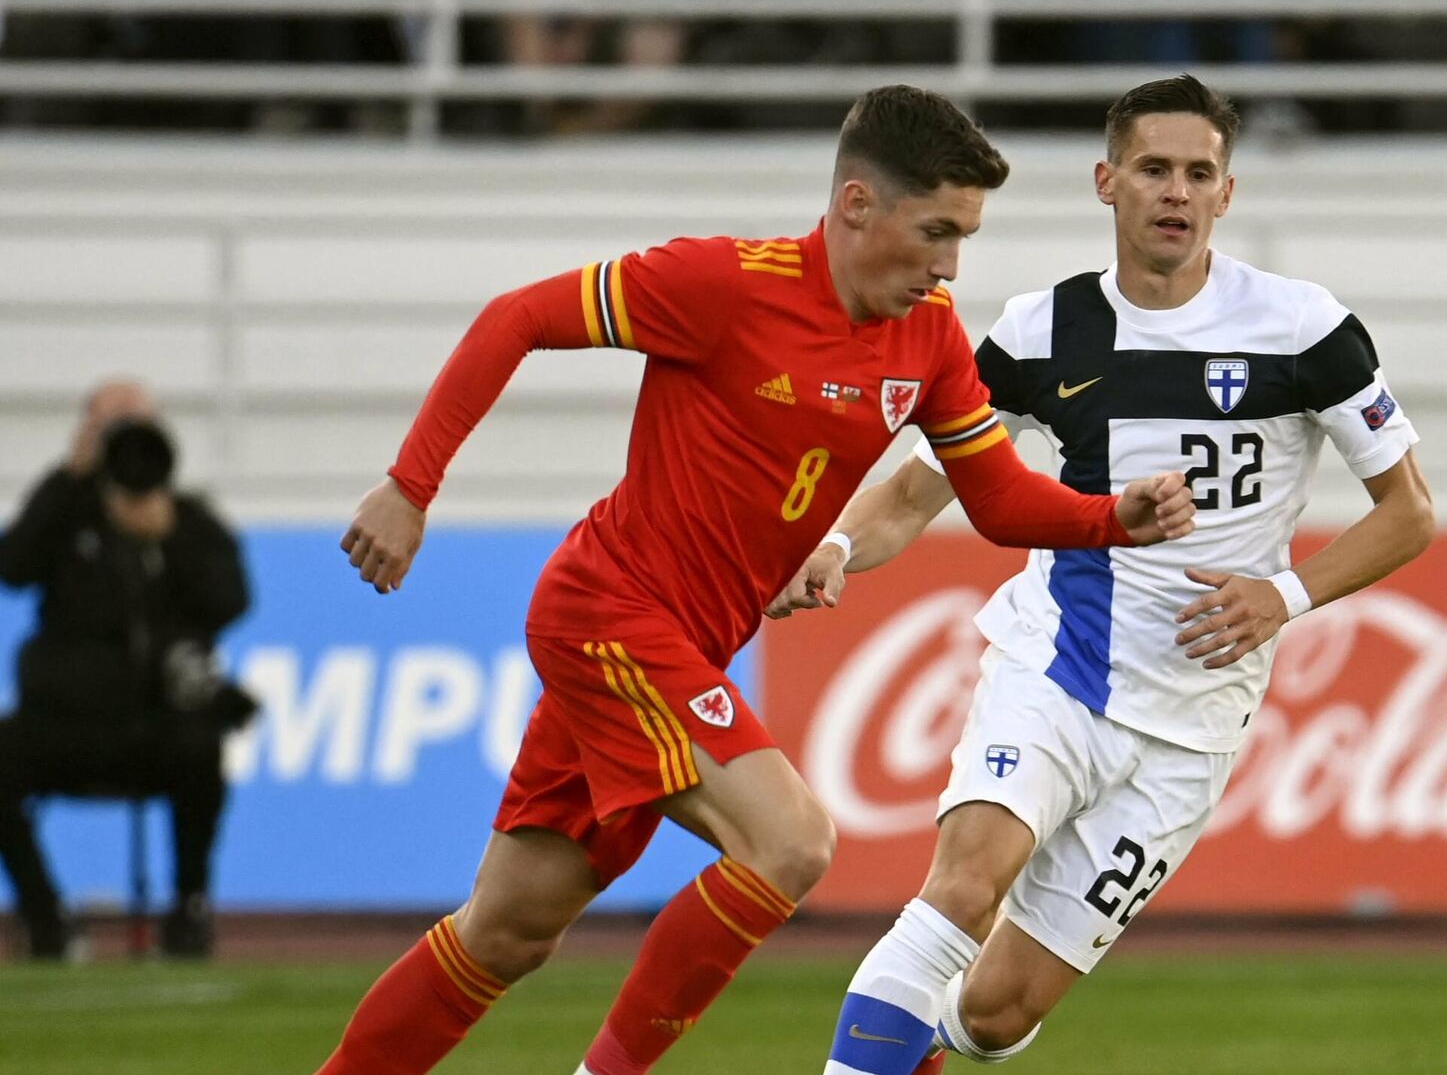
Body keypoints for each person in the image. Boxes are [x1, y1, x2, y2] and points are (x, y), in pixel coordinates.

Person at [315, 84, 1196, 1075]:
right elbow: (517, 317)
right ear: (858, 206)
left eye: (966, 238)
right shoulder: (724, 284)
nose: (950, 265)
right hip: (608, 613)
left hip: (674, 648)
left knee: (507, 932)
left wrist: (1106, 519)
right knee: (792, 843)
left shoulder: (932, 337)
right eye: (937, 232)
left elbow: (994, 498)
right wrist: (409, 484)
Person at [776, 75, 1434, 1075]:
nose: (1176, 192)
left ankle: (921, 1042)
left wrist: (1284, 595)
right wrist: (829, 548)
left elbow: (1409, 512)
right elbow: (918, 491)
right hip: (1060, 667)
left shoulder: (1303, 329)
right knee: (962, 887)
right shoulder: (1046, 332)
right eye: (1154, 169)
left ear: (1227, 192)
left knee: (996, 1014)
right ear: (1107, 182)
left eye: (1198, 173)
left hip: (1193, 724)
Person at [0, 380, 254, 961]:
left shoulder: (187, 520)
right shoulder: (64, 514)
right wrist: (67, 479)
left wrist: (168, 539)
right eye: (109, 425)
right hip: (67, 724)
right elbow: (11, 567)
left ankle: (189, 911)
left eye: (137, 423)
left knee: (202, 750)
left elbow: (232, 600)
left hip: (158, 725)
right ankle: (46, 920)